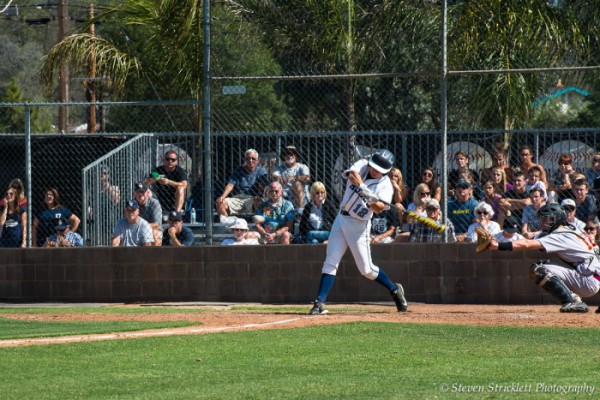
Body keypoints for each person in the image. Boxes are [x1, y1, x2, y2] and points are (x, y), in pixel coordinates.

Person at [308, 149, 408, 315]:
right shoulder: (362, 165)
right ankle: (320, 302)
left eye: (379, 168)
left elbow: (378, 209)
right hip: (341, 219)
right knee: (331, 260)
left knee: (366, 270)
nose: (374, 169)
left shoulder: (386, 187)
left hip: (359, 226)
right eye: (374, 165)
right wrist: (364, 189)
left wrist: (371, 199)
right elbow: (353, 175)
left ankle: (394, 289)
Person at [487, 204, 599, 313]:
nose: (542, 222)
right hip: (592, 276)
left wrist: (496, 245)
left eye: (547, 219)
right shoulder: (572, 228)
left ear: (557, 218)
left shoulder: (559, 236)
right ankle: (573, 298)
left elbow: (526, 244)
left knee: (538, 270)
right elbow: (531, 238)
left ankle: (571, 301)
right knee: (546, 265)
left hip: (587, 281)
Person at [215, 148, 268, 220]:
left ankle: (257, 226)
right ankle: (227, 225)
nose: (250, 160)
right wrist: (222, 197)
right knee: (220, 203)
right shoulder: (238, 170)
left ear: (258, 160)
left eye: (253, 158)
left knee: (259, 202)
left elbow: (261, 186)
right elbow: (230, 185)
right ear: (245, 160)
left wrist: (259, 195)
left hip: (252, 198)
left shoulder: (261, 171)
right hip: (237, 198)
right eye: (248, 158)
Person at [144, 150, 188, 214]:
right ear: (164, 160)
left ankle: (177, 214)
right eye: (167, 159)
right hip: (159, 198)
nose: (170, 161)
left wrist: (169, 182)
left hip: (175, 199)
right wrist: (155, 179)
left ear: (176, 161)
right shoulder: (158, 170)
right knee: (146, 191)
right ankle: (147, 212)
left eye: (173, 160)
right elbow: (146, 184)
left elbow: (184, 185)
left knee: (180, 188)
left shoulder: (180, 171)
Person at [272, 146, 311, 213]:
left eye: (292, 154)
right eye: (286, 154)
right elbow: (274, 175)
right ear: (284, 156)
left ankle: (299, 212)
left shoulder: (302, 167)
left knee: (297, 184)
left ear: (296, 156)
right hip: (284, 195)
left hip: (300, 197)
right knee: (273, 186)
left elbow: (307, 178)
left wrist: (294, 177)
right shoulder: (280, 168)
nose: (289, 156)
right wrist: (278, 178)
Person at [133, 182, 163, 246]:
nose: (140, 194)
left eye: (142, 192)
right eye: (138, 192)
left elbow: (157, 224)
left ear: (147, 193)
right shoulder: (132, 204)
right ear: (134, 193)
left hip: (152, 229)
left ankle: (155, 255)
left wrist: (142, 227)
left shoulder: (154, 203)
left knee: (154, 232)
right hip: (135, 229)